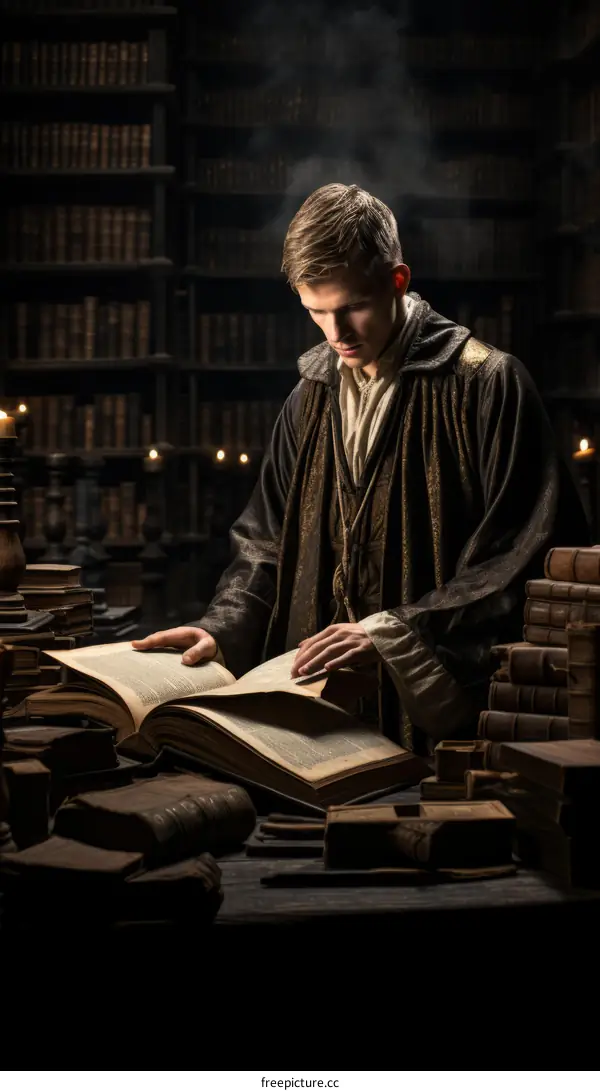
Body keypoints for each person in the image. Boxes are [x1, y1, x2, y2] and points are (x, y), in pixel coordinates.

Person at [132, 183, 589, 752]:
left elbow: (523, 554)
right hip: (314, 714)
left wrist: (395, 634)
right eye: (316, 312)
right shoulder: (310, 395)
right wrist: (221, 629)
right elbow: (265, 542)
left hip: (436, 729)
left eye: (352, 307)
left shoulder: (487, 385)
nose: (336, 334)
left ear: (397, 280)